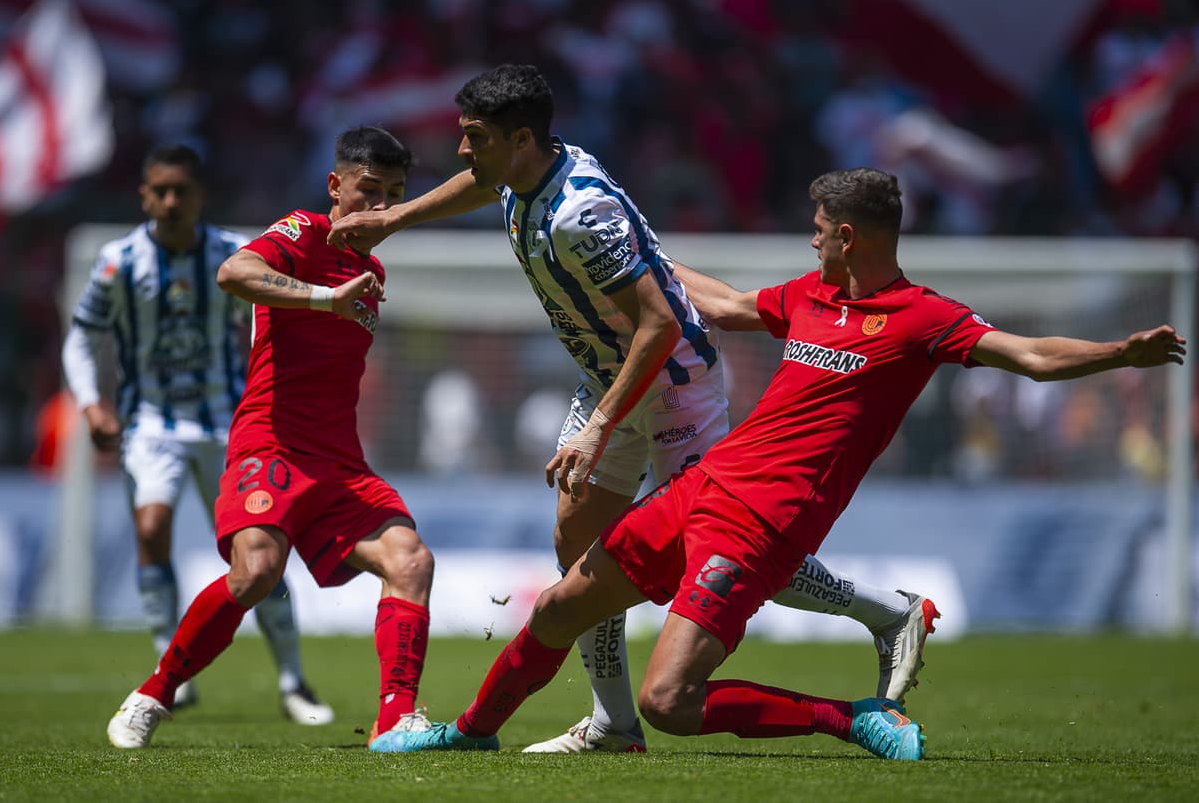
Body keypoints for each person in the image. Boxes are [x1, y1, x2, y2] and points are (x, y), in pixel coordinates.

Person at [367, 166, 1186, 758]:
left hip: (765, 523)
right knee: (557, 606)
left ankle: (851, 716)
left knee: (669, 704)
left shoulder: (922, 320)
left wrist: (1121, 352)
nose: (811, 239)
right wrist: (636, 250)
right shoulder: (811, 295)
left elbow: (1032, 354)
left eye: (818, 230)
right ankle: (468, 738)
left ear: (847, 236)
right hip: (703, 486)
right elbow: (721, 305)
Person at [331, 64, 939, 754]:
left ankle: (886, 612)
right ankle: (613, 725)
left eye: (475, 137)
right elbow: (480, 183)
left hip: (673, 384)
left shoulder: (577, 214)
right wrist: (395, 219)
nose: (464, 151)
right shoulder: (521, 172)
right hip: (612, 379)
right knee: (579, 551)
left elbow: (660, 327)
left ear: (521, 139)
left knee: (717, 547)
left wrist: (595, 431)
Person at [105, 127, 437, 749]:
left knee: (411, 560)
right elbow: (235, 271)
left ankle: (396, 722)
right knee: (256, 570)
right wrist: (322, 298)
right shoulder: (302, 232)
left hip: (339, 463)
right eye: (370, 191)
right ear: (336, 186)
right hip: (271, 445)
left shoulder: (372, 265)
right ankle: (155, 692)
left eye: (395, 195)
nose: (382, 207)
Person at [63, 145, 331, 724]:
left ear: (200, 195)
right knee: (153, 529)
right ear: (143, 195)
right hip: (150, 425)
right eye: (159, 191)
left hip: (231, 426)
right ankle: (169, 665)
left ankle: (293, 680)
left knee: (261, 552)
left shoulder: (235, 255)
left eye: (180, 191)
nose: (169, 202)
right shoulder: (118, 262)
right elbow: (81, 338)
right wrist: (90, 405)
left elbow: (276, 326)